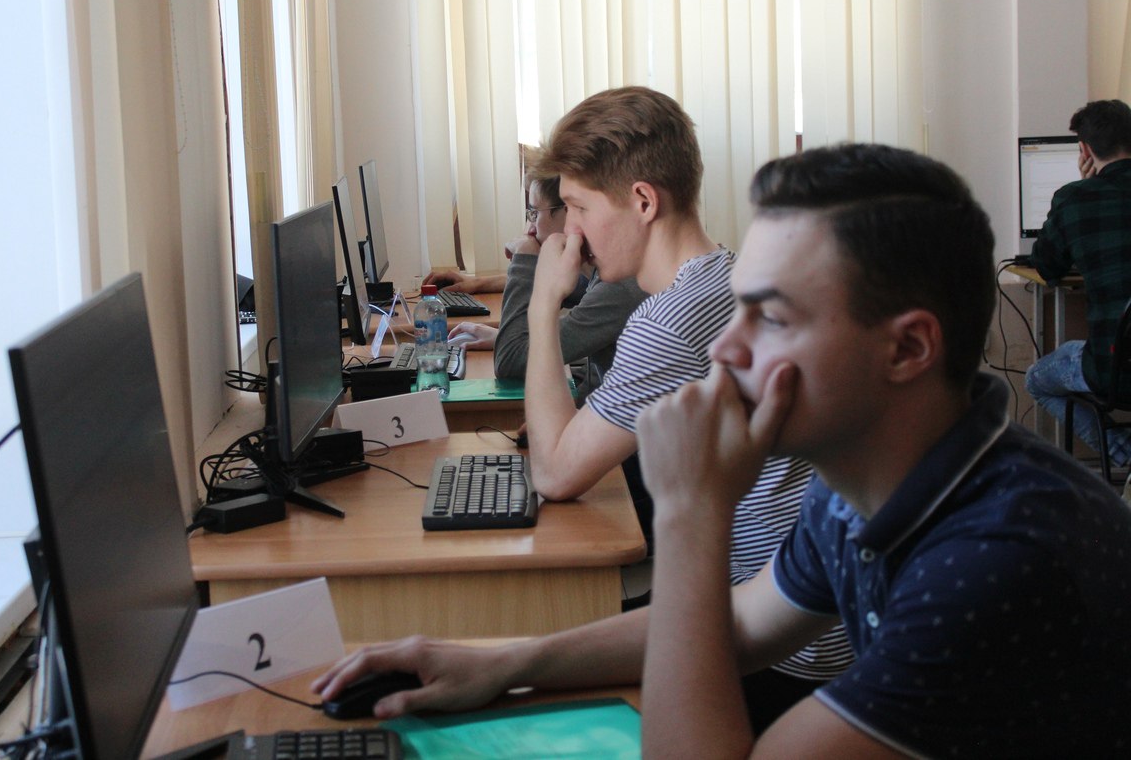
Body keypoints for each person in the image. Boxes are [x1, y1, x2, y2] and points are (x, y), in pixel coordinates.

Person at [313, 143, 1131, 756]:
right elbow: (738, 622)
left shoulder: (1000, 561)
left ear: (908, 349)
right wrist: (504, 661)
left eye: (770, 317)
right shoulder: (864, 473)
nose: (724, 349)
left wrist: (690, 512)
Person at [322, 87, 854, 728]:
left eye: (577, 207)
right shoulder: (721, 276)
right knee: (516, 659)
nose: (569, 230)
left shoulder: (672, 316)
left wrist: (544, 302)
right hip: (762, 617)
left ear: (643, 202)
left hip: (782, 657)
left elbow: (555, 473)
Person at [447, 162, 647, 401]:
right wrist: (479, 286)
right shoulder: (604, 270)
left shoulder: (618, 287)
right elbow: (568, 286)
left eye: (534, 213)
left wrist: (525, 258)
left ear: (569, 211)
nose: (529, 228)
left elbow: (509, 361)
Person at [1025, 98, 1131, 468]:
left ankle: (1123, 453)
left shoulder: (1074, 199)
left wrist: (1084, 188)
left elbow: (1047, 266)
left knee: (1037, 380)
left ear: (1084, 150)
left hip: (1118, 372)